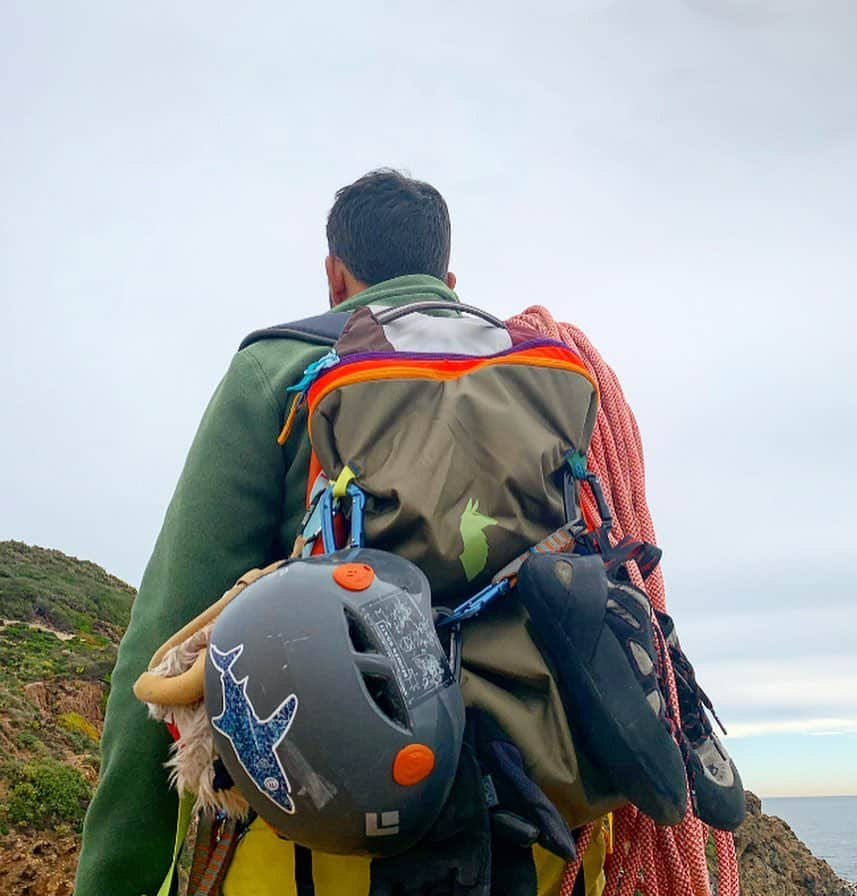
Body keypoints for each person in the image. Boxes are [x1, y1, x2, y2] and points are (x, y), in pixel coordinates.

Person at [74, 169, 607, 896]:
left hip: (324, 834)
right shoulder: (541, 374)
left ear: (335, 276)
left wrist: (115, 876)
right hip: (532, 824)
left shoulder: (280, 369)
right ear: (447, 277)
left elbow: (167, 638)